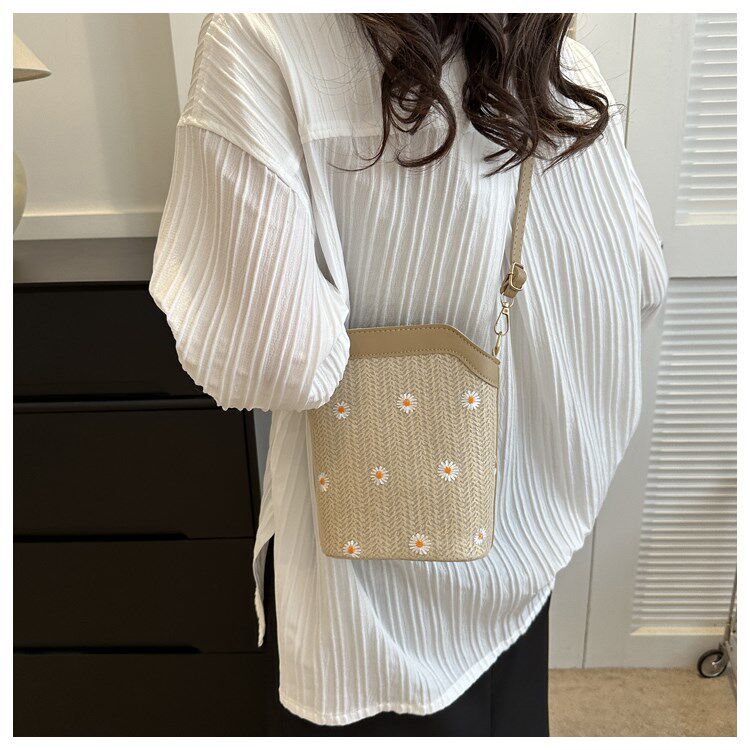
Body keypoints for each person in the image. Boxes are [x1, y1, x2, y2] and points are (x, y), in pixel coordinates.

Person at [150, 13, 668, 735]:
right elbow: (639, 282)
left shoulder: (260, 38)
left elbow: (272, 361)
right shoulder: (557, 63)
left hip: (366, 597)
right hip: (517, 537)